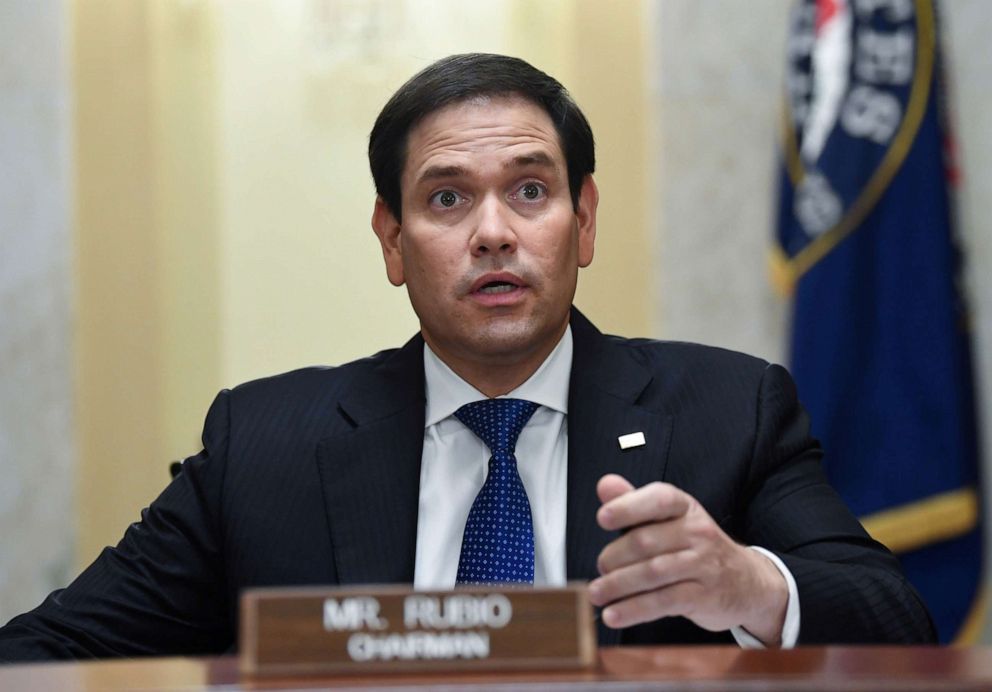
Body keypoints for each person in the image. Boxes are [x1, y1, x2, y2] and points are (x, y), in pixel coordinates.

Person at [0, 53, 934, 662]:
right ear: (392, 240)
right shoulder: (266, 446)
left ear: (586, 221)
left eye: (530, 190)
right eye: (447, 200)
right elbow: (48, 655)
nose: (494, 233)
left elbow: (898, 625)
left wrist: (748, 583)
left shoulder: (729, 410)